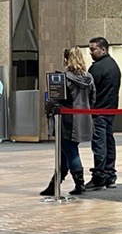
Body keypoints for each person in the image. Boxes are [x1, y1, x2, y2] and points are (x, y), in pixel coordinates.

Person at [40, 47, 96, 197]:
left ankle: (79, 184)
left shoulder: (63, 77)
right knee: (65, 152)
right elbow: (93, 99)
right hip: (82, 118)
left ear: (66, 59)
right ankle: (54, 184)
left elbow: (54, 99)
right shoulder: (88, 78)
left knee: (70, 152)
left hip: (66, 120)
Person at [82, 36, 121, 191]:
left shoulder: (97, 68)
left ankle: (99, 177)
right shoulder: (114, 66)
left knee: (100, 144)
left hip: (99, 111)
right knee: (109, 142)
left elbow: (88, 89)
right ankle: (110, 175)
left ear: (103, 49)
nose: (90, 52)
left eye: (93, 49)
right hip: (110, 110)